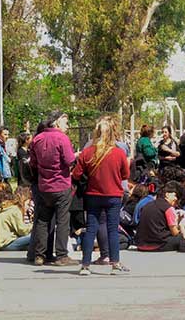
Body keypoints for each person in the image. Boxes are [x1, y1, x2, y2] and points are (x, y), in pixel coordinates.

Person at [76, 114, 132, 276]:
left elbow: (77, 174)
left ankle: (85, 265)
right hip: (113, 195)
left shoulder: (87, 152)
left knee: (91, 228)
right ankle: (115, 263)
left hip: (93, 194)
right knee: (112, 230)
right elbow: (125, 174)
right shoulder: (119, 153)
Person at [27, 111, 78, 267]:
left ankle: (40, 255)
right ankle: (62, 255)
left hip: (44, 185)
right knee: (63, 220)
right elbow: (70, 160)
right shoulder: (62, 138)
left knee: (43, 220)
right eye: (65, 122)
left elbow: (33, 163)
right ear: (56, 122)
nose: (67, 126)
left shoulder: (37, 139)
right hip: (61, 184)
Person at [135, 181, 185, 251]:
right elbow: (175, 232)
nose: (176, 199)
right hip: (158, 244)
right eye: (175, 195)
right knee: (182, 238)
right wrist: (179, 224)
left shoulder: (147, 205)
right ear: (167, 194)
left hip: (140, 244)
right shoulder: (168, 208)